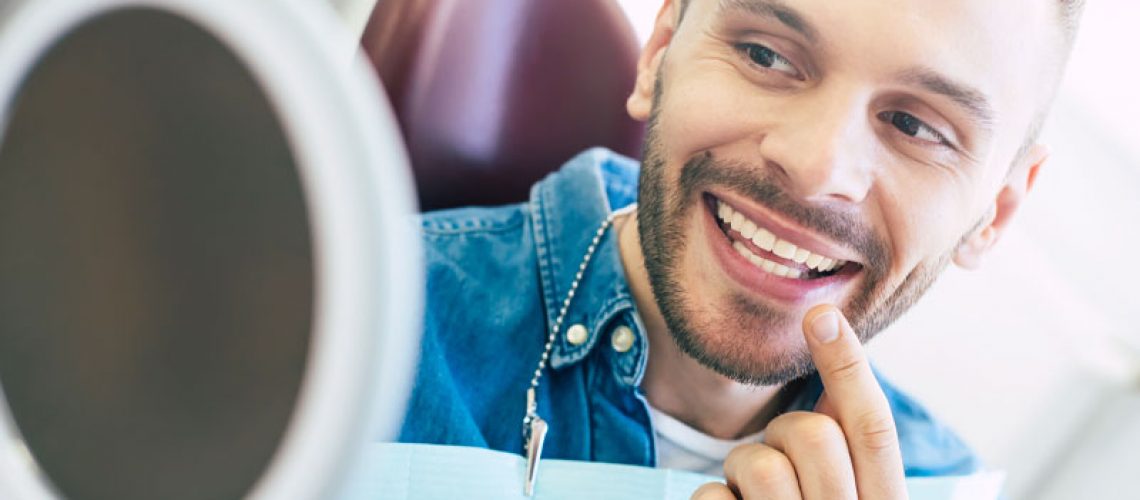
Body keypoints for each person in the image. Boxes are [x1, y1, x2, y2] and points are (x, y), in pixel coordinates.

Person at [397, 0, 1085, 497]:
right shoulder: (359, 319)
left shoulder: (947, 488)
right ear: (660, 52)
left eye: (914, 125)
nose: (817, 167)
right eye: (766, 55)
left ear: (995, 211)